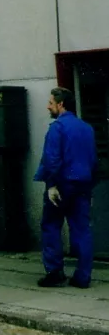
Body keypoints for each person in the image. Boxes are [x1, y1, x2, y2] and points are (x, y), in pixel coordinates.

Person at [34, 87, 98, 288]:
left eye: (51, 102)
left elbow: (51, 158)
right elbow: (94, 161)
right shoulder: (87, 128)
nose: (48, 106)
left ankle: (55, 273)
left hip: (62, 184)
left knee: (51, 225)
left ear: (60, 104)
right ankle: (83, 276)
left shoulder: (57, 127)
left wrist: (51, 184)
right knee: (82, 230)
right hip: (83, 184)